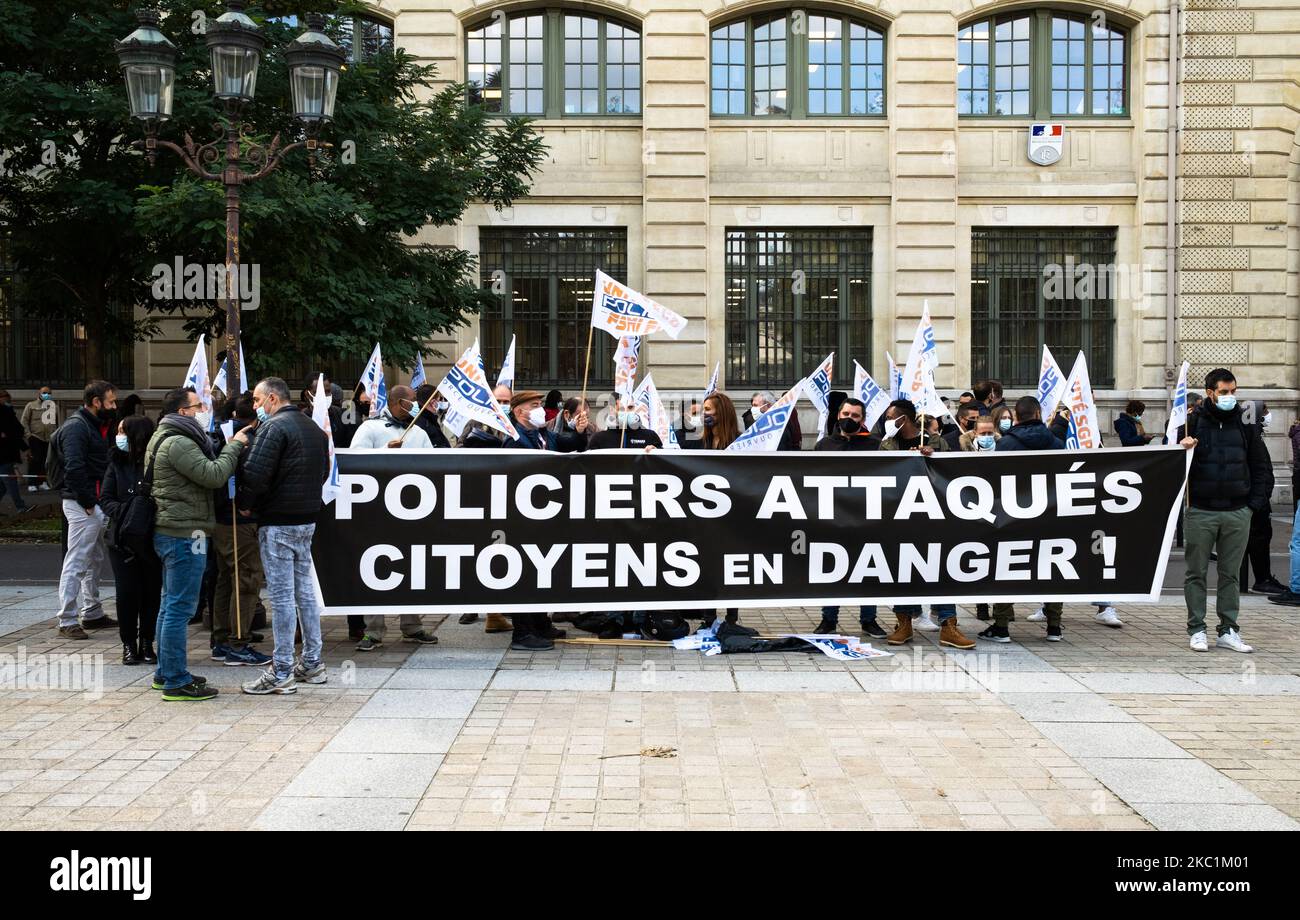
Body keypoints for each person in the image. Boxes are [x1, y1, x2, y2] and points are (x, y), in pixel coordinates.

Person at [147, 387, 249, 701]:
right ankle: (177, 680)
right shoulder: (179, 442)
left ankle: (166, 672)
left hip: (174, 529)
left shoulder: (166, 436)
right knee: (180, 607)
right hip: (185, 533)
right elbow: (214, 475)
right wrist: (234, 447)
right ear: (182, 412)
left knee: (169, 605)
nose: (202, 410)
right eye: (196, 405)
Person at [238, 377, 332, 694]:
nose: (255, 406)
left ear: (273, 399)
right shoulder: (313, 429)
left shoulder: (274, 428)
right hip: (306, 518)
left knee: (281, 597)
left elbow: (254, 473)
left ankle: (280, 671)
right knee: (304, 591)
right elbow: (324, 471)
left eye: (257, 399)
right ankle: (312, 662)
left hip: (278, 521)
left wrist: (247, 505)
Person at [1179, 369, 1269, 653]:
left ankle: (1228, 629)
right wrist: (1182, 449)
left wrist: (1252, 506)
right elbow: (1165, 463)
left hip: (1237, 511)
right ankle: (1197, 629)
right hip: (1200, 511)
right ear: (1210, 392)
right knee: (1196, 573)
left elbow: (1261, 466)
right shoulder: (1191, 422)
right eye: (1224, 392)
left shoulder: (1245, 425)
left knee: (1230, 574)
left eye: (1233, 391)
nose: (1230, 397)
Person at [874, 399, 973, 648]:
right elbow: (879, 474)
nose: (887, 420)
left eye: (890, 416)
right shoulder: (887, 444)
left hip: (933, 516)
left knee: (941, 569)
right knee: (904, 569)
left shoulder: (936, 441)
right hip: (900, 516)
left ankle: (949, 625)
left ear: (903, 419)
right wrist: (901, 460)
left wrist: (933, 457)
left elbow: (954, 472)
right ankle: (904, 623)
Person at [352, 388, 440, 651]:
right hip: (377, 511)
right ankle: (373, 630)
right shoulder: (370, 429)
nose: (415, 406)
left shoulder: (419, 432)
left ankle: (412, 626)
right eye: (411, 402)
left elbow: (435, 467)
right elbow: (352, 462)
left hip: (413, 511)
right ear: (396, 403)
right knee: (376, 568)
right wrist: (382, 451)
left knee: (411, 568)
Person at [977, 397, 1065, 644]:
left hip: (1012, 516)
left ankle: (1002, 626)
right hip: (1049, 515)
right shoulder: (1057, 444)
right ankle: (1054, 627)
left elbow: (994, 480)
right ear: (1038, 413)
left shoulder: (1005, 445)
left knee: (1006, 568)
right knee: (1050, 569)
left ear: (1016, 416)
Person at [812, 398, 886, 638]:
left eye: (855, 416)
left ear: (863, 420)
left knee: (868, 569)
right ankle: (828, 619)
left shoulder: (875, 445)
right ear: (838, 416)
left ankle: (869, 620)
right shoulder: (824, 445)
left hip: (868, 516)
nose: (849, 419)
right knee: (833, 570)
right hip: (833, 516)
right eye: (846, 413)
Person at [208, 394, 271, 667]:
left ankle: (222, 639)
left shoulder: (216, 435)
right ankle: (238, 642)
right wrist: (247, 505)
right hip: (238, 520)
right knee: (246, 579)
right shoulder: (244, 439)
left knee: (226, 579)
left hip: (222, 518)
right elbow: (251, 475)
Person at [54, 380, 118, 639]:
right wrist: (89, 502)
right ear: (96, 402)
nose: (114, 406)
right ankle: (67, 619)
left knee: (93, 558)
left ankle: (91, 612)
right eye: (111, 401)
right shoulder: (77, 428)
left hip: (92, 501)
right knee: (78, 560)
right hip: (84, 503)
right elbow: (74, 467)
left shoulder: (93, 425)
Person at [99, 414, 162, 666]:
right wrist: (127, 514)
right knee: (127, 593)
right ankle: (128, 644)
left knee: (151, 592)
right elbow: (106, 498)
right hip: (122, 539)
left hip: (150, 538)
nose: (119, 436)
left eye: (124, 431)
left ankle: (147, 641)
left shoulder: (156, 462)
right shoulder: (116, 463)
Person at [1236, 402, 1285, 595]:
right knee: (1259, 539)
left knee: (1256, 539)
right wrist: (1261, 498)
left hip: (1256, 497)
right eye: (1265, 412)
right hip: (1256, 500)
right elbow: (1260, 469)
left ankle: (1261, 578)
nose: (1269, 415)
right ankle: (1262, 579)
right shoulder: (1253, 436)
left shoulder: (1249, 434)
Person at [351, 384, 432, 450]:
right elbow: (357, 460)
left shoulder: (420, 432)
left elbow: (430, 462)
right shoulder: (369, 427)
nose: (417, 404)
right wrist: (386, 450)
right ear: (401, 403)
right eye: (413, 400)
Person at [21, 385, 58, 492]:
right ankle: (32, 483)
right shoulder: (31, 405)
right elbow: (24, 421)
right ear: (39, 393)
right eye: (45, 393)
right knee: (34, 460)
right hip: (35, 437)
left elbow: (55, 422)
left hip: (48, 438)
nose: (47, 395)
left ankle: (43, 482)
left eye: (49, 393)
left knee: (45, 461)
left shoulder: (53, 406)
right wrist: (29, 435)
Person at [0, 390, 31, 514]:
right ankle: (20, 506)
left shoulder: (7, 412)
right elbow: (15, 431)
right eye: (6, 398)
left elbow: (15, 431)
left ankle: (20, 506)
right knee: (10, 482)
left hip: (6, 454)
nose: (8, 401)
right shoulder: (5, 413)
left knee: (3, 486)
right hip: (4, 455)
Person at [588, 401, 660, 450]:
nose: (626, 412)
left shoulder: (650, 436)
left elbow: (663, 464)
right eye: (621, 408)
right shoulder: (599, 438)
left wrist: (656, 452)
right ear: (612, 410)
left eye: (630, 407)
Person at [414, 383, 452, 449]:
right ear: (433, 402)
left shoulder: (424, 419)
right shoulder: (426, 424)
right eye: (440, 399)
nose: (443, 402)